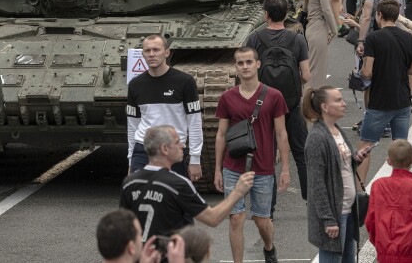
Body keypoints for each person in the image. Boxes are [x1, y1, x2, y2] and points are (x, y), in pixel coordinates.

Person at [214, 46, 290, 263]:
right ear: (235, 67)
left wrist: (285, 168)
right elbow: (221, 135)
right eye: (240, 63)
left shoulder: (274, 96)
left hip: (263, 167)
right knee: (236, 217)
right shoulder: (227, 97)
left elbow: (282, 133)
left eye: (249, 62)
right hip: (233, 167)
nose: (245, 66)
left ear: (258, 64)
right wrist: (218, 169)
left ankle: (269, 247)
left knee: (261, 219)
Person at [121, 126, 254, 238]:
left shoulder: (129, 182)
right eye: (177, 142)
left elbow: (123, 229)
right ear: (165, 149)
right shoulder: (177, 184)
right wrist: (237, 192)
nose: (183, 145)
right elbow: (212, 218)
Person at [246, 0, 311, 200]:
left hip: (263, 105)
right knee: (301, 153)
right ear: (286, 15)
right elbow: (307, 75)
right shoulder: (298, 39)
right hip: (291, 104)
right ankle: (309, 199)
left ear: (265, 15)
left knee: (266, 157)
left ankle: (268, 207)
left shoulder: (255, 38)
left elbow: (247, 72)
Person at [303, 87, 371, 263]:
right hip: (335, 215)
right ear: (325, 107)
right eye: (338, 100)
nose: (343, 103)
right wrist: (328, 219)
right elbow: (317, 184)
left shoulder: (337, 129)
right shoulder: (317, 138)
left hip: (348, 211)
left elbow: (343, 163)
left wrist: (356, 157)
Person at [356, 0, 412, 182]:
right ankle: (401, 188)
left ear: (380, 15)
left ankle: (360, 189)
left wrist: (361, 71)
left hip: (379, 102)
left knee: (365, 147)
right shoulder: (408, 38)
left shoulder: (374, 38)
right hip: (402, 100)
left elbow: (367, 72)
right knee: (401, 150)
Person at [126, 35, 202, 181]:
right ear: (143, 54)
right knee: (140, 196)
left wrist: (195, 159)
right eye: (147, 51)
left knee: (173, 197)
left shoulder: (185, 81)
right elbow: (132, 124)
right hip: (143, 149)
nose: (152, 54)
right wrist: (131, 159)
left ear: (167, 52)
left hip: (173, 149)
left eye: (156, 49)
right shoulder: (135, 85)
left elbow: (194, 122)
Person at [303, 0, 338, 89]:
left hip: (311, 26)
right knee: (318, 71)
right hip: (319, 27)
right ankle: (312, 103)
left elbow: (305, 7)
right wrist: (334, 30)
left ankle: (309, 100)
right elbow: (326, 10)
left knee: (312, 67)